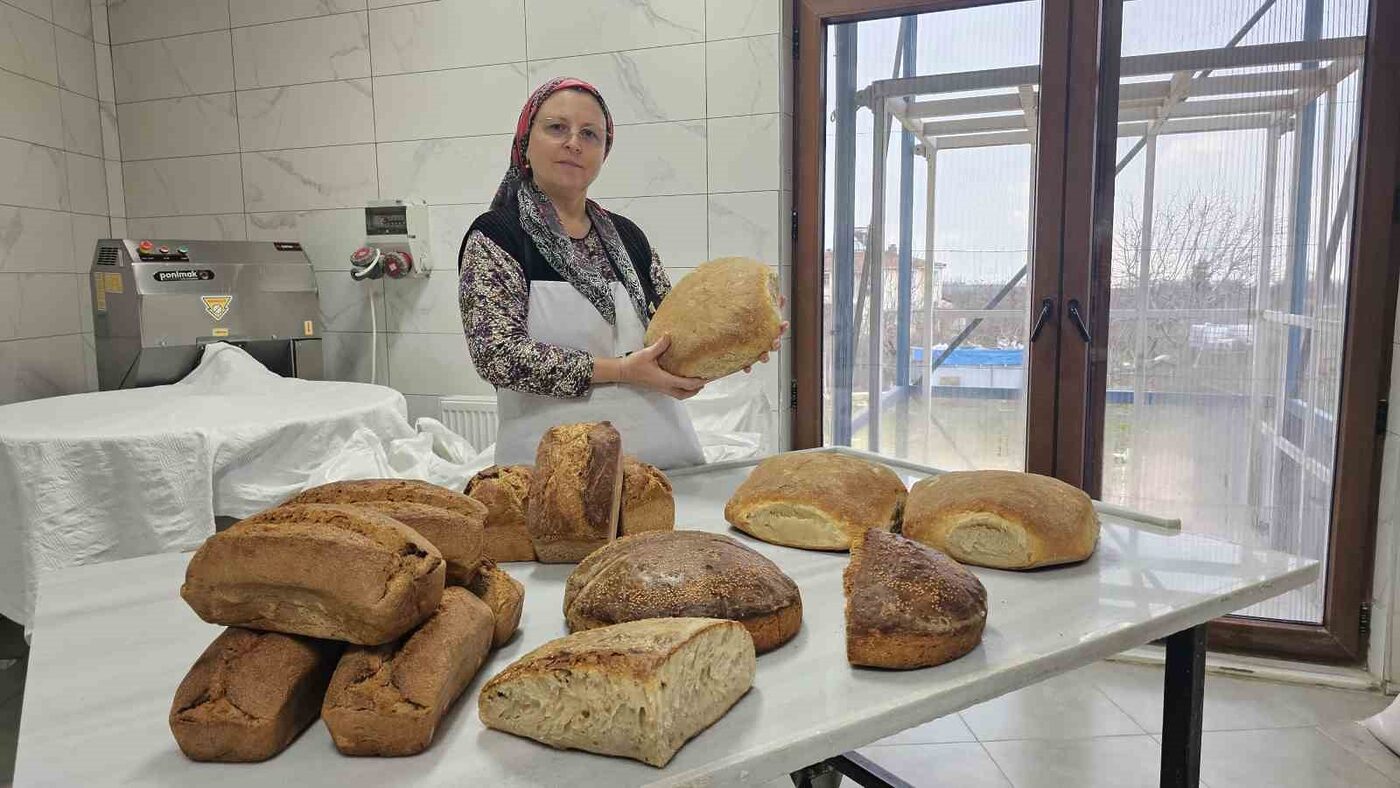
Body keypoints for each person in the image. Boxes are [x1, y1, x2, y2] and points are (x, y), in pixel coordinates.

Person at [458, 77, 784, 469]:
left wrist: (731, 343)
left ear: (603, 152)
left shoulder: (629, 238)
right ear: (526, 141)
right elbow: (498, 356)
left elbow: (671, 340)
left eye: (590, 134)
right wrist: (622, 371)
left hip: (660, 464)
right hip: (550, 472)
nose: (574, 143)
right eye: (557, 128)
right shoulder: (498, 235)